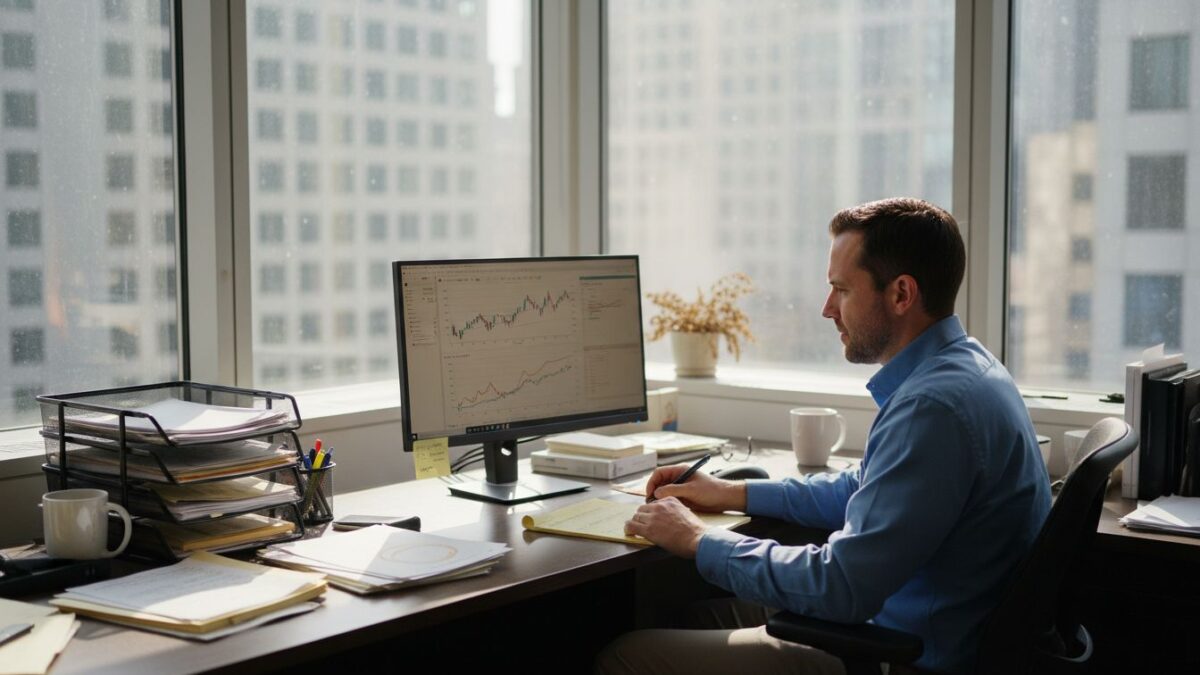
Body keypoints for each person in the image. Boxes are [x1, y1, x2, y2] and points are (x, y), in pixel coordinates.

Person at [596, 198, 1051, 675]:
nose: (826, 308)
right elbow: (865, 487)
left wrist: (696, 539)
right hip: (914, 623)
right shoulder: (969, 368)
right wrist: (733, 492)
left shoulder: (932, 407)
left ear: (901, 294)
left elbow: (842, 586)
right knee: (692, 617)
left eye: (841, 289)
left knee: (624, 657)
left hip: (900, 653)